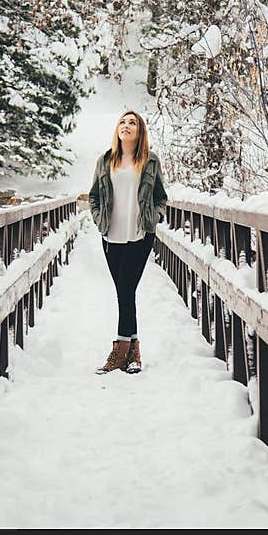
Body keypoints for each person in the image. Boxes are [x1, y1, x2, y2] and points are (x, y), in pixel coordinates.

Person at [88, 110, 168, 374]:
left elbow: (160, 197)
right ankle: (134, 354)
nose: (126, 125)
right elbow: (94, 197)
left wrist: (153, 218)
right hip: (112, 237)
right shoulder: (105, 160)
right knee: (126, 293)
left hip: (140, 237)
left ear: (140, 130)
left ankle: (118, 353)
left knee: (125, 290)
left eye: (132, 122)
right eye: (123, 121)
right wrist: (99, 219)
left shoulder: (150, 161)